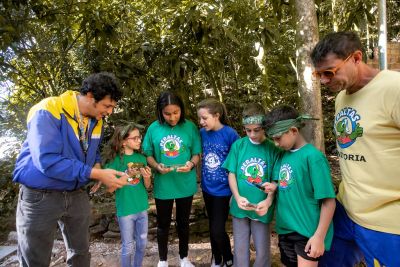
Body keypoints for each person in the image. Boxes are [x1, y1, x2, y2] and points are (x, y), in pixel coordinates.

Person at [13, 72, 127, 267]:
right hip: (41, 196)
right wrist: (96, 174)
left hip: (76, 194)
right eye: (107, 106)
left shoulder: (95, 119)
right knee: (35, 259)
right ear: (90, 96)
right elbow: (47, 160)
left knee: (81, 253)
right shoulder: (48, 110)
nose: (109, 112)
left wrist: (97, 166)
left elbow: (91, 151)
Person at [311, 31, 400, 267]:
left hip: (386, 221)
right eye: (318, 74)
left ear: (356, 58)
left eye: (329, 72)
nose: (323, 81)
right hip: (346, 209)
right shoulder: (342, 97)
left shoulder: (394, 89)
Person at [263, 105, 336, 267]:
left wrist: (318, 237)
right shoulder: (283, 155)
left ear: (294, 131)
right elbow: (279, 183)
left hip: (307, 231)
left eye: (278, 138)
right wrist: (271, 191)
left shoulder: (313, 157)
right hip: (285, 230)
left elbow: (328, 201)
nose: (275, 144)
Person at [142, 91, 201, 267]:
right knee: (163, 224)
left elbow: (197, 153)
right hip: (164, 184)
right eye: (167, 113)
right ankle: (163, 260)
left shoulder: (190, 127)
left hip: (185, 183)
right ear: (160, 112)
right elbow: (148, 154)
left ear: (181, 110)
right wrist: (156, 166)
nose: (172, 117)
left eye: (176, 112)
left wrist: (191, 164)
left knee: (183, 223)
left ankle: (184, 258)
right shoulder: (153, 128)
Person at [222, 103, 280, 267]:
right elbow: (231, 173)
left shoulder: (272, 148)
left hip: (261, 207)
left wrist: (268, 201)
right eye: (248, 130)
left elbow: (276, 180)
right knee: (240, 248)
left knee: (262, 249)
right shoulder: (239, 146)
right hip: (240, 206)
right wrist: (237, 196)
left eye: (257, 130)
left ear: (265, 127)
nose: (252, 134)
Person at [101, 123, 152, 267]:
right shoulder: (115, 162)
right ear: (123, 141)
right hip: (125, 210)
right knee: (128, 247)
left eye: (139, 137)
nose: (139, 140)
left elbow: (147, 186)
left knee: (142, 244)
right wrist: (125, 176)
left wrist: (147, 177)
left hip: (142, 207)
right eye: (135, 138)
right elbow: (109, 189)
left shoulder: (141, 159)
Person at [197, 99, 240, 267]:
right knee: (212, 226)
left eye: (204, 118)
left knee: (217, 228)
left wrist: (237, 190)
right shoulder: (202, 133)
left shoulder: (230, 134)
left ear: (217, 115)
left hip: (224, 191)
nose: (201, 122)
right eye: (200, 118)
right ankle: (217, 259)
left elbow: (238, 160)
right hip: (208, 188)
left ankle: (228, 257)